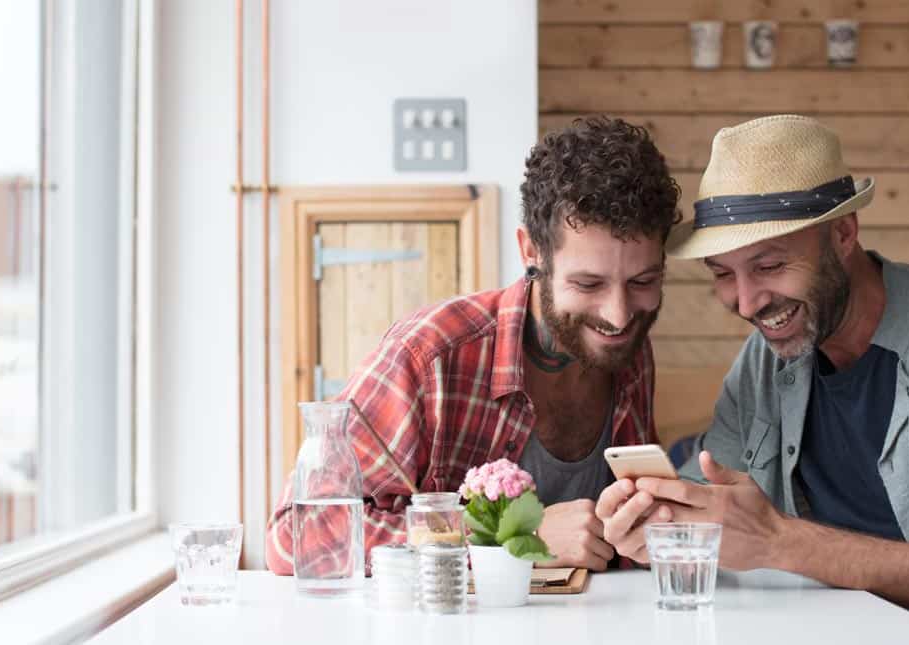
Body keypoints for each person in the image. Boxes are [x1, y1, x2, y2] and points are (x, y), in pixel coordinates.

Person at [596, 115, 909, 644]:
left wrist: (779, 541)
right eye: (723, 274)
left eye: (768, 265)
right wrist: (658, 524)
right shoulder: (766, 360)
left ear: (843, 233)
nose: (746, 303)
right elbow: (711, 498)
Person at [267, 116, 683, 575]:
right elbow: (298, 536)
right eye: (588, 284)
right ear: (531, 252)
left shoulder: (628, 351)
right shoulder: (429, 356)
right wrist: (515, 538)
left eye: (643, 281)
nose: (618, 314)